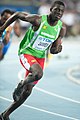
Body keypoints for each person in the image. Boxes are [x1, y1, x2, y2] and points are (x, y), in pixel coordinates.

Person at [0, 1, 66, 120]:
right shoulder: (38, 20)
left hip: (40, 57)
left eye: (61, 11)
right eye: (56, 9)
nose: (59, 13)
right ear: (51, 9)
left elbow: (53, 50)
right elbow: (18, 14)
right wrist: (2, 28)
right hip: (27, 52)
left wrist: (57, 50)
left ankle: (5, 114)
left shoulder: (61, 28)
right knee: (38, 74)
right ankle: (21, 84)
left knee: (27, 92)